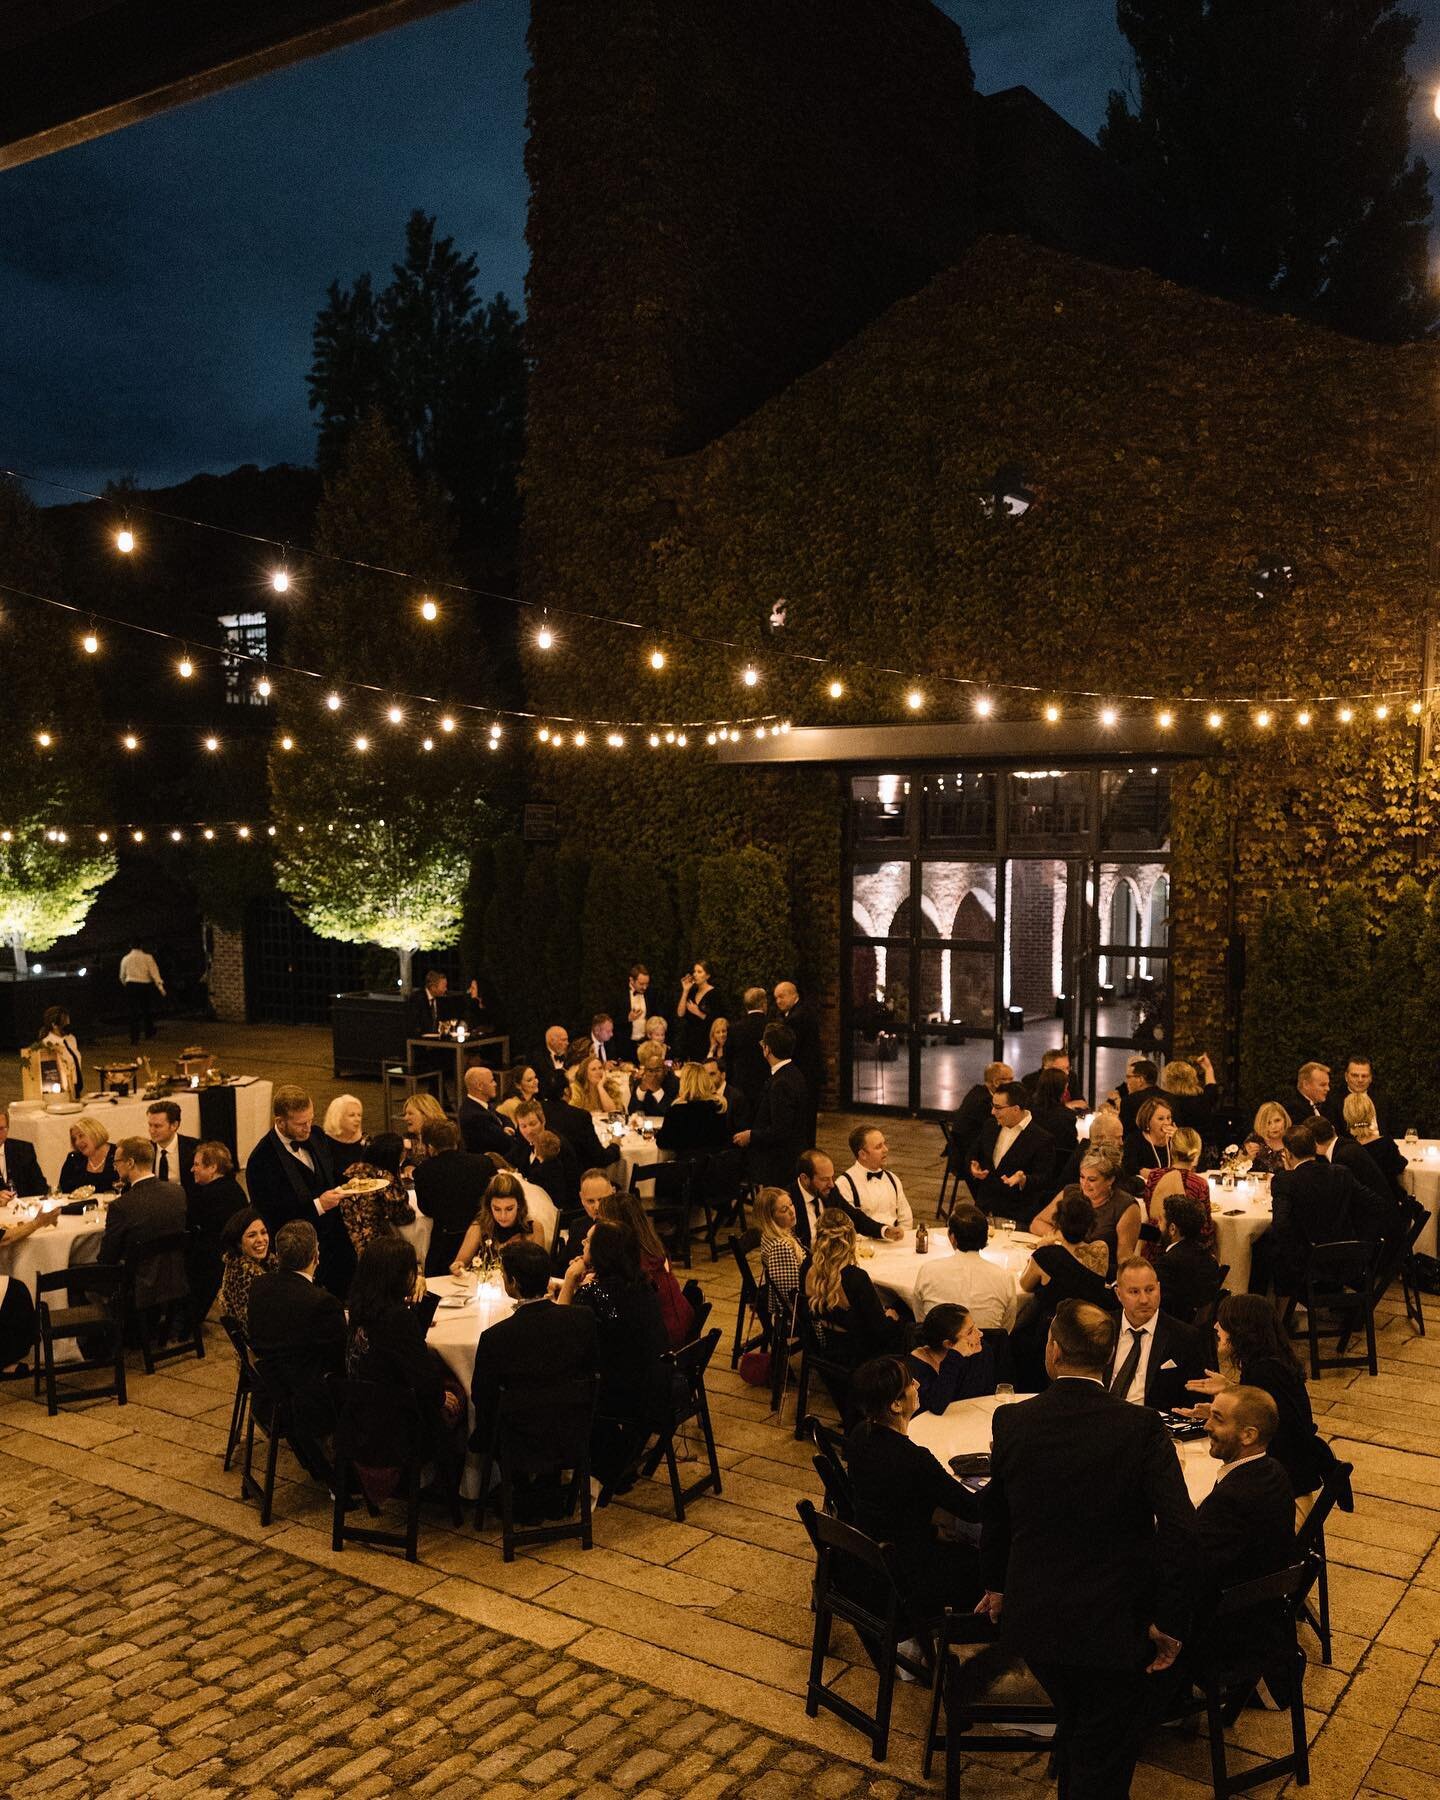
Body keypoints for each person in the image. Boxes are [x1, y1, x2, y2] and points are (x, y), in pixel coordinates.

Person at [978, 1300, 1196, 1800]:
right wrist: (1170, 1619)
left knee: (1081, 1729)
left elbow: (998, 1511)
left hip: (1036, 1617)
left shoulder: (1012, 1421)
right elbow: (1181, 1529)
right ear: (1106, 1357)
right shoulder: (1141, 1428)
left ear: (1053, 1352)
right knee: (1104, 1754)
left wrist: (995, 1585)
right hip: (1114, 1622)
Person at [845, 1356, 981, 1611]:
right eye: (910, 1383)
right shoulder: (914, 1460)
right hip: (911, 1573)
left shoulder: (859, 1435)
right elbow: (973, 1509)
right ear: (896, 1404)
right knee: (993, 1559)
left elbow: (890, 1504)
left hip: (871, 1558)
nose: (917, 1384)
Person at [557, 1219, 670, 1494]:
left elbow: (561, 1332)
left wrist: (570, 1281)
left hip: (618, 1393)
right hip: (654, 1381)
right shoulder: (642, 1284)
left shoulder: (595, 1292)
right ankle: (617, 1460)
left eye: (588, 1241)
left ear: (602, 1252)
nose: (582, 1243)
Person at [470, 1238, 599, 1478]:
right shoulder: (582, 1318)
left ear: (513, 1283)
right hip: (572, 1432)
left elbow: (481, 1397)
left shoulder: (496, 1337)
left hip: (518, 1442)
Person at [1186, 1292, 1331, 1506]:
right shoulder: (1270, 1364)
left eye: (1223, 1323)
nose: (1216, 1327)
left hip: (1282, 1493)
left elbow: (1272, 1430)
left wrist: (1229, 1394)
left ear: (1241, 1330)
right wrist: (1226, 1398)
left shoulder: (1265, 1371)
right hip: (1285, 1480)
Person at [344, 1234, 465, 1478]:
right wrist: (441, 1397)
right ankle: (456, 1480)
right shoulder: (397, 1317)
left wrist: (421, 1297)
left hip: (359, 1418)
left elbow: (408, 1347)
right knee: (462, 1390)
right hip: (397, 1428)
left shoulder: (359, 1305)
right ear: (400, 1275)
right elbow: (424, 1378)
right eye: (413, 1269)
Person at [246, 1218, 347, 1455]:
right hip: (308, 1402)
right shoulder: (320, 1302)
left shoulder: (259, 1286)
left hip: (268, 1392)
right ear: (316, 1256)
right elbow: (340, 1358)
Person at [243, 1085, 352, 1299]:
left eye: (310, 1119)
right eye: (301, 1123)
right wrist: (319, 1205)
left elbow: (330, 1173)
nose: (308, 1127)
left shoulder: (317, 1136)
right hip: (299, 1253)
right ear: (280, 1122)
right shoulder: (261, 1160)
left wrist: (352, 1183)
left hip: (334, 1242)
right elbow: (271, 1216)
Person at [1248, 1121, 1359, 1298]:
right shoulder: (1341, 1173)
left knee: (1260, 1246)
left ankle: (1262, 1307)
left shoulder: (1285, 1180)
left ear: (1288, 1154)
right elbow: (1370, 1202)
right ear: (1314, 1148)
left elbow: (1281, 1225)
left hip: (1307, 1265)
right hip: (1346, 1259)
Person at [800, 1209, 904, 1369]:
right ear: (850, 1239)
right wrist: (891, 1318)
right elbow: (880, 1333)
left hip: (828, 1346)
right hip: (860, 1358)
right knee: (905, 1316)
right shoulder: (855, 1278)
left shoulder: (806, 1266)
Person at [597, 1188, 696, 1347]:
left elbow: (615, 1311)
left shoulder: (636, 1264)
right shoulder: (653, 1247)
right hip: (683, 1328)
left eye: (601, 1222)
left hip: (665, 1341)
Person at [101, 1137, 188, 1316]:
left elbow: (108, 1257)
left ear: (130, 1162)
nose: (115, 1167)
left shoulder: (122, 1206)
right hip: (175, 1277)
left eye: (116, 1162)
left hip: (140, 1284)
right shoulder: (177, 1192)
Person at [1106, 1256, 1207, 1410]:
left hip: (1155, 1426)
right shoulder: (1103, 1328)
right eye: (1134, 1292)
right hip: (1104, 1418)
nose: (1144, 1299)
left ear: (1159, 1288)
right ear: (1119, 1294)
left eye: (1150, 1290)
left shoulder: (1185, 1337)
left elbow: (1197, 1399)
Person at [1030, 1145, 1141, 1276]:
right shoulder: (1071, 1192)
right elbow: (1036, 1223)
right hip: (1065, 1267)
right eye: (1082, 1177)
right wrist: (1063, 1237)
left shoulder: (1126, 1206)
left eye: (1092, 1179)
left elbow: (1124, 1260)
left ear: (1110, 1180)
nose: (1084, 1184)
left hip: (1099, 1275)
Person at [914, 1204, 1017, 1330]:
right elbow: (1006, 1328)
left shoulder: (928, 1271)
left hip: (939, 1346)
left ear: (952, 1238)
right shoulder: (1005, 1278)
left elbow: (920, 1320)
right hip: (987, 1346)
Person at [412, 1117, 492, 1274]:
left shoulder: (423, 1171)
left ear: (430, 1146)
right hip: (481, 1241)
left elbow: (427, 1209)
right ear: (456, 1141)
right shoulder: (483, 1163)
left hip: (444, 1243)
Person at [734, 1024, 809, 1188]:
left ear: (767, 1049)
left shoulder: (781, 1083)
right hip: (791, 1155)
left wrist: (751, 1135)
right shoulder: (794, 1073)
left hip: (780, 1163)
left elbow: (780, 1130)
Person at [1310, 1115, 1402, 1243]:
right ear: (1333, 1129)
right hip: (1387, 1219)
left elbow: (1346, 1202)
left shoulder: (1342, 1158)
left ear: (1313, 1143)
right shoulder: (1347, 1145)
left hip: (1379, 1231)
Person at [967, 1081, 1053, 1217]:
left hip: (1016, 1213)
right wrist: (973, 1167)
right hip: (984, 1208)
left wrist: (1024, 1179)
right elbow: (973, 1153)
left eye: (998, 1107)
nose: (992, 1112)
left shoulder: (1041, 1138)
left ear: (1016, 1109)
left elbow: (1044, 1179)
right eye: (992, 1106)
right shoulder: (990, 1126)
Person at [187, 1139, 247, 1322]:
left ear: (212, 1167)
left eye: (197, 1165)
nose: (192, 1169)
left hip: (210, 1261)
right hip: (232, 1253)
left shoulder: (205, 1196)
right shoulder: (235, 1188)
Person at [905, 1302, 1001, 1411]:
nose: (980, 1334)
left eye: (974, 1327)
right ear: (949, 1344)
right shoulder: (914, 1368)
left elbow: (985, 1398)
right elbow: (936, 1406)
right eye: (970, 1332)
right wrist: (954, 1358)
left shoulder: (980, 1352)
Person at [336, 1129, 414, 1258]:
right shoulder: (384, 1177)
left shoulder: (353, 1168)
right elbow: (402, 1216)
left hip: (342, 1240)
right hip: (371, 1246)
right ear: (393, 1156)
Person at [1141, 1124, 1213, 1262]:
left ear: (1172, 1150)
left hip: (1152, 1256)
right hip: (1185, 1261)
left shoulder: (1154, 1176)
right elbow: (1205, 1231)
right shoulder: (1199, 1184)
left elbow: (1151, 1218)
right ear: (1197, 1153)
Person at [1156, 1193, 1224, 1325]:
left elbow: (1158, 1307)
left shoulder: (1167, 1264)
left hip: (1174, 1331)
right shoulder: (1210, 1259)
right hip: (1196, 1331)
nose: (1158, 1225)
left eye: (1160, 1220)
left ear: (1172, 1229)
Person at [451, 1171, 541, 1270]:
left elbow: (540, 1272)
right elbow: (459, 1265)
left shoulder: (533, 1228)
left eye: (509, 1209)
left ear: (519, 1205)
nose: (503, 1216)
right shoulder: (479, 1227)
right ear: (489, 1207)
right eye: (497, 1209)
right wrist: (457, 1268)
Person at [834, 1125, 912, 1233]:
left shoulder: (892, 1179)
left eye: (884, 1144)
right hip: (863, 1245)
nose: (886, 1150)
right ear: (863, 1154)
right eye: (878, 1147)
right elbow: (847, 1225)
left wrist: (902, 1238)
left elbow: (906, 1218)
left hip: (895, 1243)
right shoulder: (844, 1184)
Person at [774, 980, 823, 1138]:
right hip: (809, 1073)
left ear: (793, 995)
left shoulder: (796, 1018)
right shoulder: (803, 1012)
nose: (778, 1001)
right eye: (776, 998)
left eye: (781, 996)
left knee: (803, 1118)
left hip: (803, 1074)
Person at [949, 1062, 1013, 1182]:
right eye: (1010, 1079)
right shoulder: (985, 1102)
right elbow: (995, 1129)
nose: (1013, 1083)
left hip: (962, 1150)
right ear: (996, 1082)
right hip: (968, 1157)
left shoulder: (977, 1090)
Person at [513, 1101, 581, 1211]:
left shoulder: (557, 1146)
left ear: (543, 1121)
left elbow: (568, 1190)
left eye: (532, 1124)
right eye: (523, 1126)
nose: (528, 1131)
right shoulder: (524, 1143)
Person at [1344, 1091, 1409, 1203]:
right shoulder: (1385, 1144)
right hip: (1389, 1206)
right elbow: (1399, 1171)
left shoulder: (1345, 1150)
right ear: (1371, 1113)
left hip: (1358, 1210)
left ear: (1347, 1115)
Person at [754, 1184, 804, 1329]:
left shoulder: (783, 1234)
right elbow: (791, 1295)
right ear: (770, 1218)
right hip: (799, 1314)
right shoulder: (780, 1246)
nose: (792, 1211)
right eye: (784, 1210)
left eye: (791, 1205)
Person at [657, 1060, 730, 1155]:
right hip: (712, 1165)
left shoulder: (677, 1111)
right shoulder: (718, 1106)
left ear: (684, 1082)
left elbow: (663, 1143)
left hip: (685, 1166)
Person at [219, 1207, 274, 1331]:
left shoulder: (264, 1263)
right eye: (252, 1235)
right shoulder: (246, 1276)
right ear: (238, 1242)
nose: (261, 1240)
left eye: (264, 1232)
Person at [552, 1168, 613, 1270]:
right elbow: (562, 1266)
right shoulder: (577, 1226)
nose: (597, 1207)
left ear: (613, 1193)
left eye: (602, 1200)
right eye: (590, 1201)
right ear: (581, 1198)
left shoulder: (622, 1227)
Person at [458, 1063, 518, 1159]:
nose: (495, 1084)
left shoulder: (481, 1105)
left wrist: (507, 1127)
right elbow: (504, 1142)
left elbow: (505, 1118)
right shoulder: (474, 1115)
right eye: (491, 1081)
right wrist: (506, 1132)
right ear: (480, 1086)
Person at [727, 987, 771, 1112]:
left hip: (741, 1083)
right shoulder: (771, 1027)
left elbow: (728, 1058)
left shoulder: (735, 1028)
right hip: (765, 1082)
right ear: (764, 1004)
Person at [1327, 1054, 1392, 1138]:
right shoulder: (1333, 1102)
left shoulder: (1383, 1100)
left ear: (1370, 1078)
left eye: (1364, 1076)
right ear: (1346, 1077)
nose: (1360, 1080)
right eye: (1355, 1075)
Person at [1160, 1054, 1221, 1137]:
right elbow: (1211, 1088)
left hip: (1181, 1146)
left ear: (1169, 1081)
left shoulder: (1167, 1103)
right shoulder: (1202, 1099)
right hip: (1204, 1146)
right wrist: (1208, 1068)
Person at [146, 1100, 197, 1195]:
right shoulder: (145, 1149)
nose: (151, 1131)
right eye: (150, 1125)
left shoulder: (194, 1148)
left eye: (157, 1126)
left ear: (174, 1125)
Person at [119, 938, 165, 1043]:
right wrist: (160, 986)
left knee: (133, 1012)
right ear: (142, 946)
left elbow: (122, 975)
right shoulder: (148, 958)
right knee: (146, 1010)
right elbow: (154, 972)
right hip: (145, 985)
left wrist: (125, 984)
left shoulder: (126, 959)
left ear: (130, 946)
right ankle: (149, 1032)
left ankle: (134, 1037)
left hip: (131, 984)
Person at [674, 961, 719, 1064]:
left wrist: (698, 1012)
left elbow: (717, 1021)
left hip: (706, 1039)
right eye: (694, 971)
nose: (695, 974)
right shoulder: (692, 992)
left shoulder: (714, 994)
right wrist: (685, 991)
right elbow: (680, 1013)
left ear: (707, 976)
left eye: (699, 972)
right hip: (690, 1039)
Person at [57, 1117, 117, 1194]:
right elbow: (63, 1191)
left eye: (81, 1136)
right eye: (74, 1139)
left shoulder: (118, 1154)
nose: (77, 1142)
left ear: (95, 1133)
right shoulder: (74, 1159)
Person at [1124, 1095, 1174, 1180]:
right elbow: (1130, 1168)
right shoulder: (1134, 1140)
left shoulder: (1175, 1140)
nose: (1167, 1123)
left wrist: (1180, 1139)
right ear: (1147, 1122)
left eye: (1168, 1118)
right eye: (1161, 1119)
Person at [39, 1006, 83, 1096]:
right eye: (65, 1023)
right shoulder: (47, 1043)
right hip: (62, 1090)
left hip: (76, 1088)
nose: (68, 1025)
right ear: (54, 1025)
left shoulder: (71, 1039)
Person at [630, 1041, 680, 1116]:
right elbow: (632, 1111)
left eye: (657, 1069)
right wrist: (641, 1091)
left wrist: (657, 1091)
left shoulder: (673, 1081)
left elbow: (672, 1113)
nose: (653, 1074)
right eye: (649, 1070)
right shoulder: (640, 1081)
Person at [406, 968, 453, 1037]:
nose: (446, 989)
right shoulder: (417, 999)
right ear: (433, 987)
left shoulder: (441, 1000)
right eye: (443, 986)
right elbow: (413, 1024)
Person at [1117, 1057, 1161, 1132]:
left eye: (1128, 1077)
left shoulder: (1130, 1101)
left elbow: (1124, 1132)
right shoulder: (1171, 1098)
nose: (1126, 1082)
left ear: (1141, 1080)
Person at [1249, 1102, 1291, 1176]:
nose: (1273, 1126)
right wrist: (1248, 1158)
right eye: (1268, 1123)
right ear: (1261, 1124)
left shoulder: (1294, 1139)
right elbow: (1235, 1169)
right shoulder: (1255, 1139)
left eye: (1277, 1120)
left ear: (1284, 1120)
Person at [618, 965, 652, 1053]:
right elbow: (611, 1020)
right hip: (625, 1044)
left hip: (645, 1044)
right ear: (631, 980)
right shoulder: (619, 994)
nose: (645, 987)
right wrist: (628, 1018)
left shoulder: (650, 994)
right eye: (641, 984)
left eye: (647, 984)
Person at [535, 1025, 572, 1103]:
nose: (567, 1043)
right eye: (563, 1040)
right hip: (545, 1102)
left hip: (569, 1100)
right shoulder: (538, 1059)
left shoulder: (570, 1055)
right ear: (552, 1041)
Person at [1287, 1061, 1330, 1127]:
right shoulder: (1294, 1110)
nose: (1328, 1088)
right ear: (1306, 1085)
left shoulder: (1326, 1106)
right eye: (1322, 1085)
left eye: (1328, 1084)